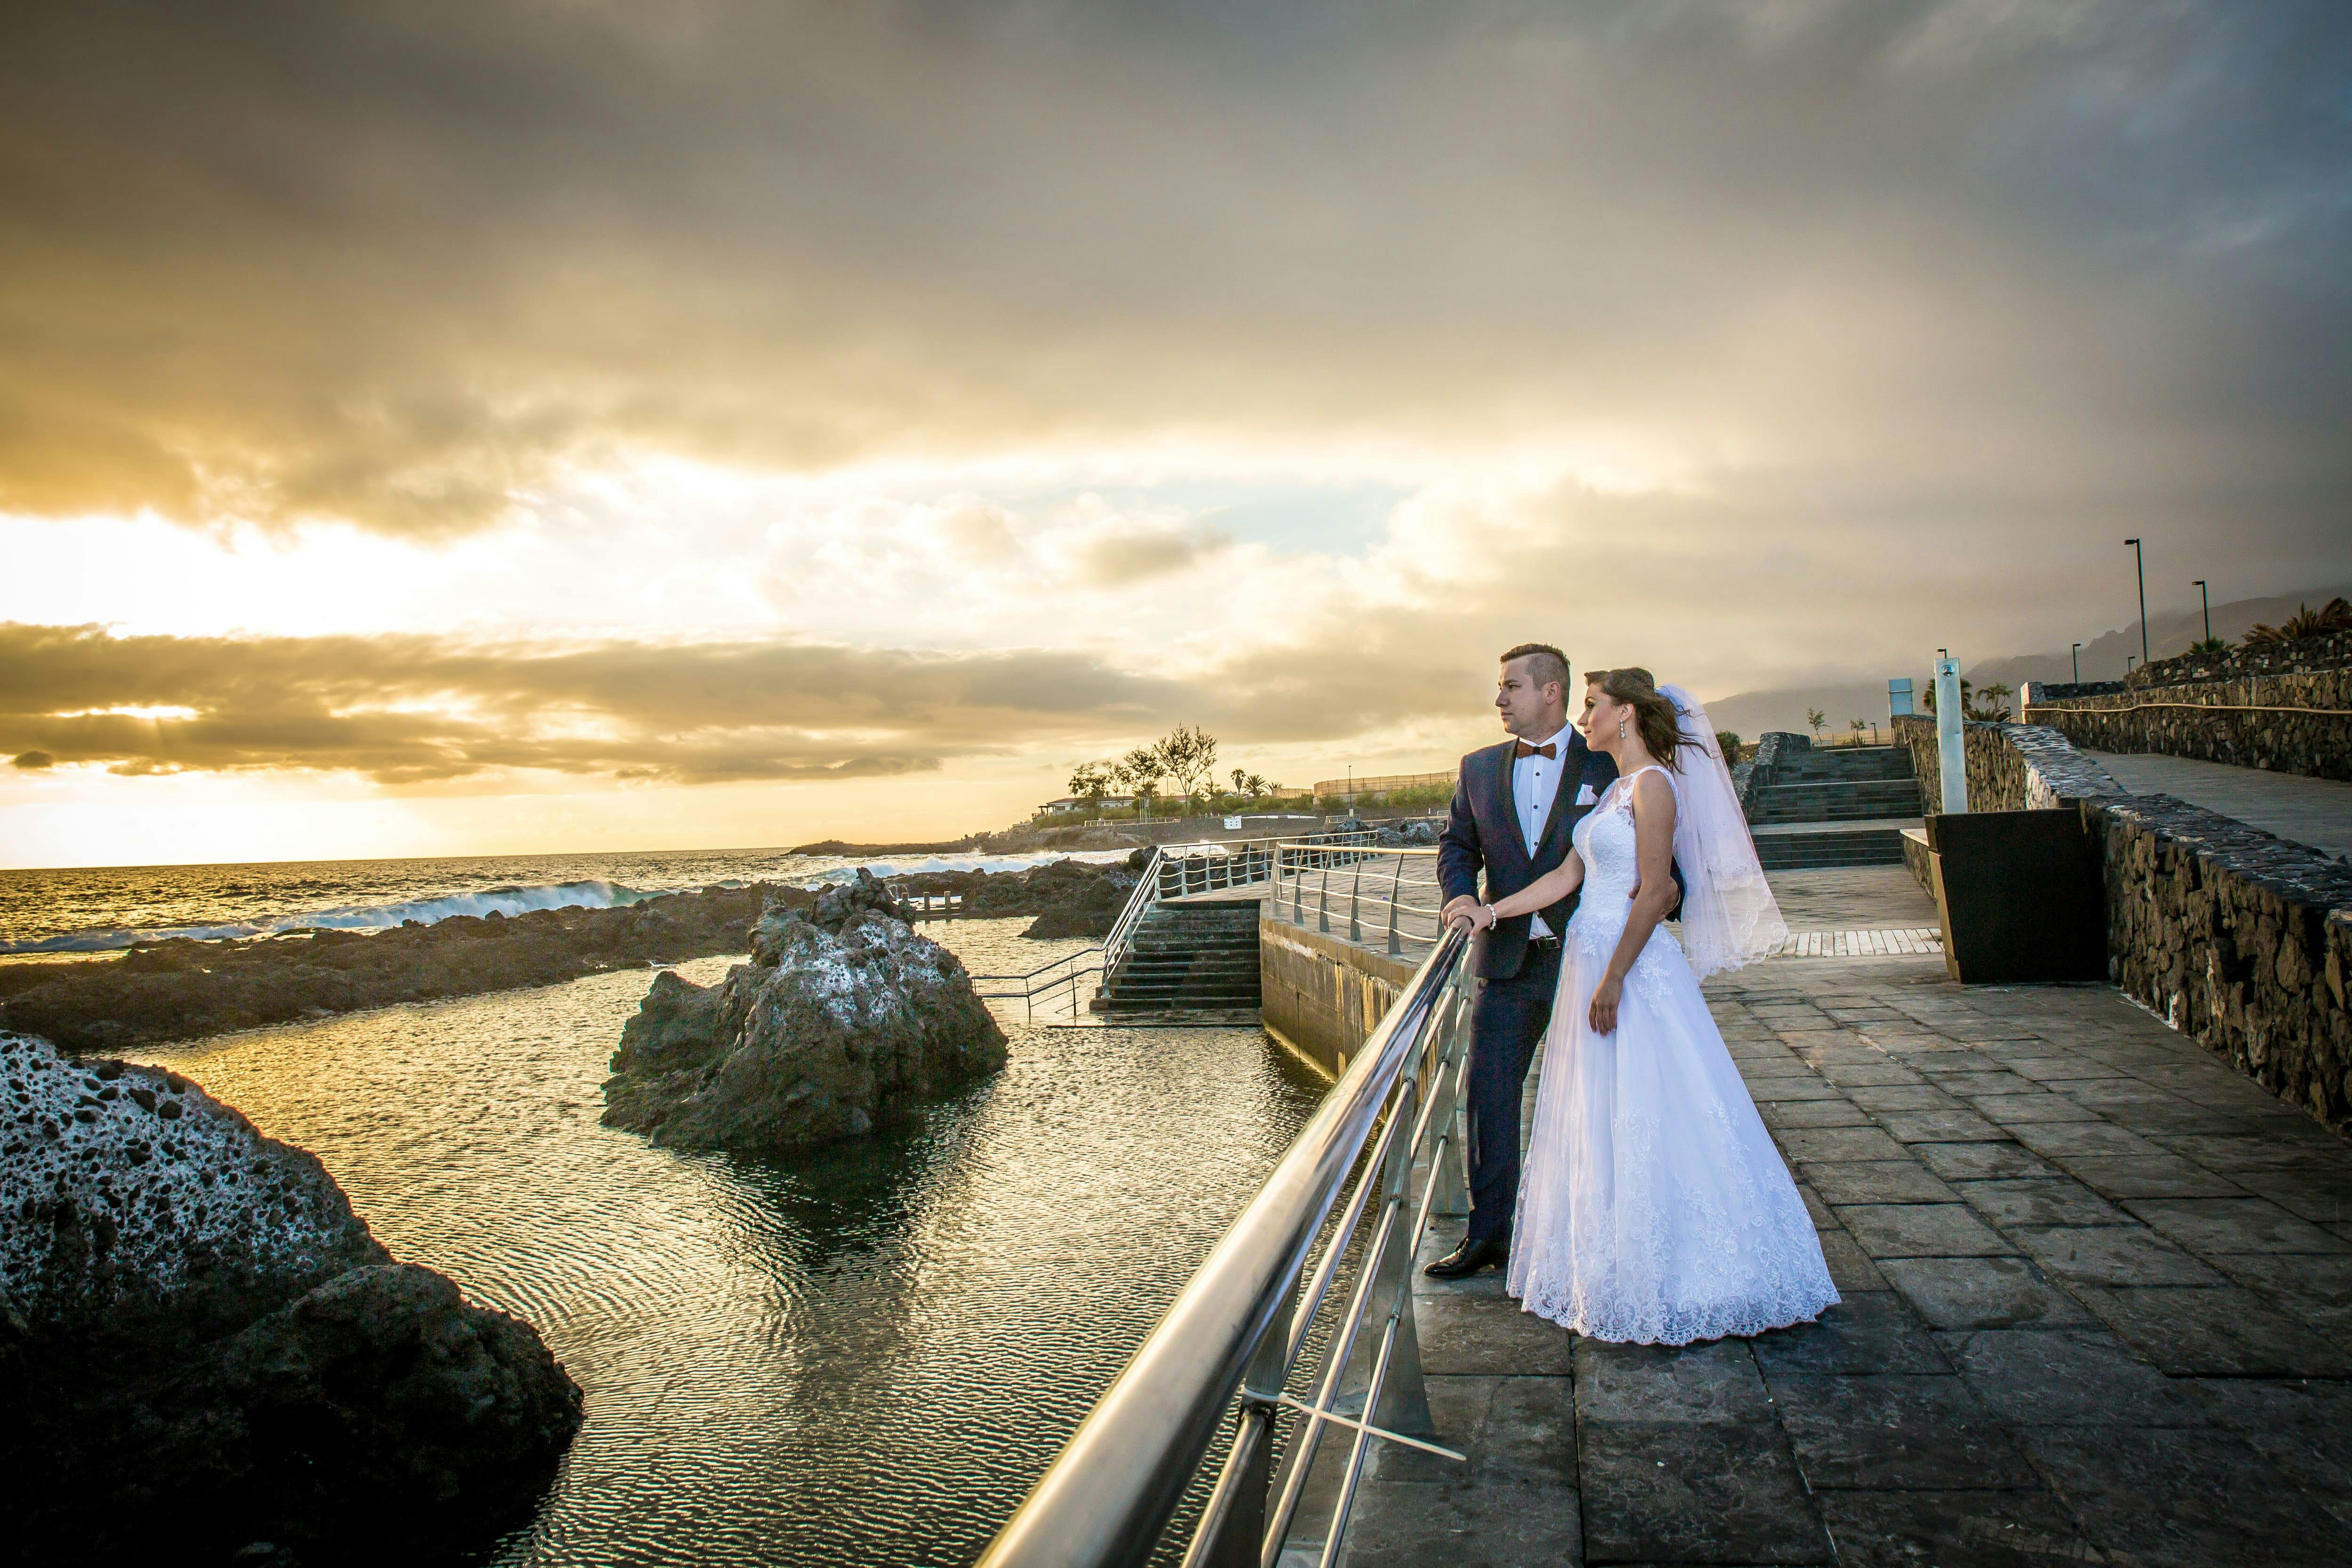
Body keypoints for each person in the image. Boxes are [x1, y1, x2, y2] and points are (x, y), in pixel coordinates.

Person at [1452, 669, 1836, 1342]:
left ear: (1624, 714)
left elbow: (1658, 893)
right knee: (1603, 1111)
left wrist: (1615, 978)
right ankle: (1617, 1259)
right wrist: (1490, 909)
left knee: (1653, 1108)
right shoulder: (1614, 797)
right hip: (1589, 960)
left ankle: (1693, 1268)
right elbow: (1564, 878)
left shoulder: (1652, 787)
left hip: (1625, 971)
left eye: (1595, 706)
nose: (1587, 717)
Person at [1424, 644, 1623, 1280]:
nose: (1499, 699)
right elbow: (1456, 843)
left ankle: (1600, 1233)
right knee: (1488, 1097)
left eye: (1511, 686)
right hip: (1506, 966)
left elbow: (1643, 849)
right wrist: (1459, 894)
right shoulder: (1478, 768)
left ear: (1551, 693)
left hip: (1585, 961)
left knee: (1602, 1101)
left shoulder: (1608, 760)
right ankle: (1489, 1237)